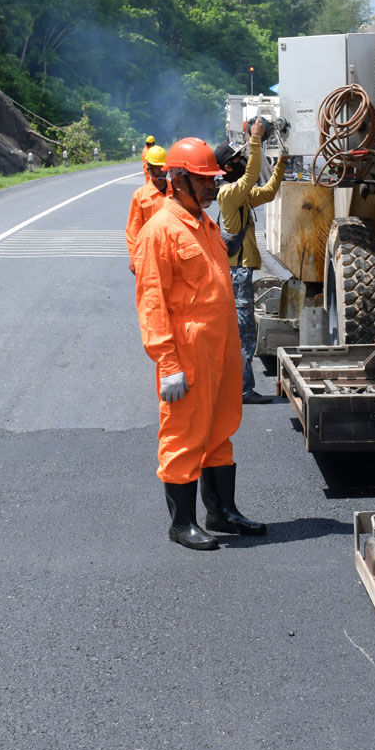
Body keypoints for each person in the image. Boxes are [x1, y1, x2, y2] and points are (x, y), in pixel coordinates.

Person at [135, 137, 266, 550]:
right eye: (203, 179)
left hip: (220, 346)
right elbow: (152, 301)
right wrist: (168, 363)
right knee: (184, 432)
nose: (212, 186)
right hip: (188, 351)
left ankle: (221, 511)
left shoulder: (205, 224)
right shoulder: (161, 230)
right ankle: (182, 524)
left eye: (213, 179)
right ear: (178, 180)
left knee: (220, 428)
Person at [214, 120, 286, 402]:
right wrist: (255, 140)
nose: (242, 161)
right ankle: (243, 389)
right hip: (237, 273)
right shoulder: (229, 194)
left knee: (242, 332)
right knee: (244, 333)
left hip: (240, 272)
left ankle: (238, 386)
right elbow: (252, 176)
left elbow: (267, 192)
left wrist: (281, 164)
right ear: (228, 167)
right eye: (238, 159)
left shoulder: (239, 196)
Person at [125, 142, 167, 268]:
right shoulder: (140, 195)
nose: (161, 171)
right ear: (149, 168)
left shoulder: (177, 192)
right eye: (156, 167)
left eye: (162, 167)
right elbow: (133, 228)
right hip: (150, 255)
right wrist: (133, 256)